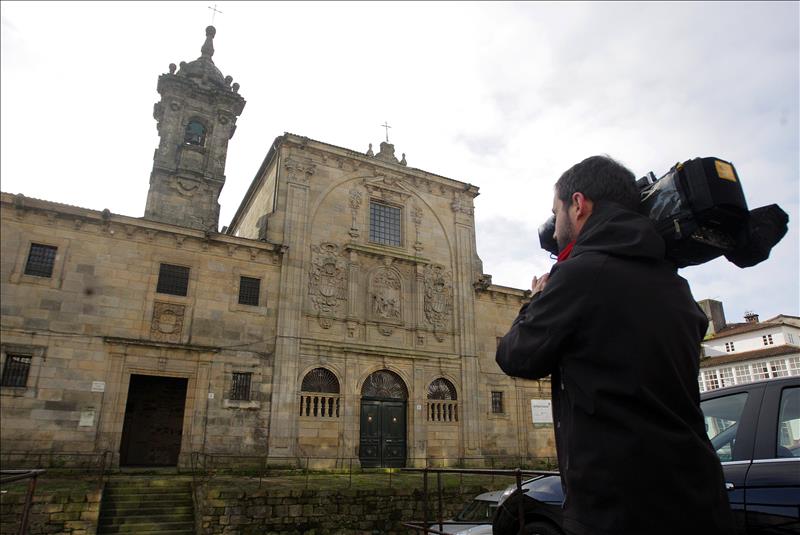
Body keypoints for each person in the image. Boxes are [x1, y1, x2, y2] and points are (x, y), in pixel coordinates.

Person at [495, 156, 735, 535]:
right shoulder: (674, 284)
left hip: (621, 509)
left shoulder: (581, 274)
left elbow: (515, 355)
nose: (554, 227)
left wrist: (536, 300)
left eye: (556, 211)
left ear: (579, 204)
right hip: (700, 499)